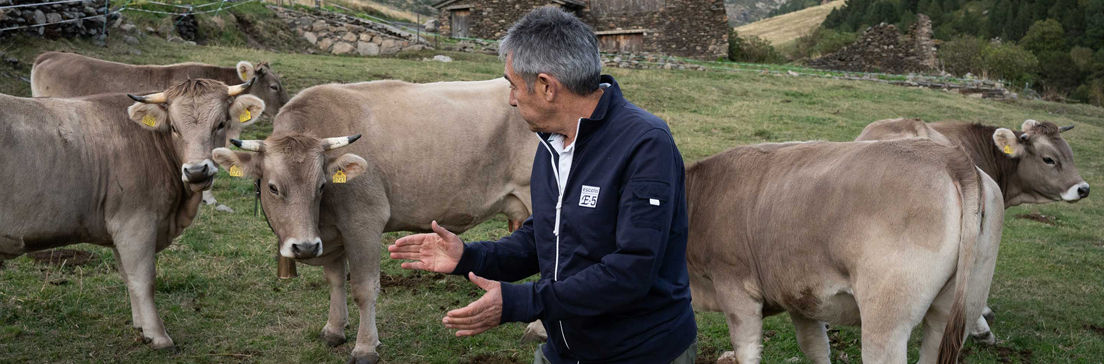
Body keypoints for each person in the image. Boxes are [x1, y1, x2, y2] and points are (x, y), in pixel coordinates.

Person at [388, 6, 695, 363]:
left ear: (547, 87)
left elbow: (631, 271)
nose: (510, 98)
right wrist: (469, 256)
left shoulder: (645, 144)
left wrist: (523, 301)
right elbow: (542, 237)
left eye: (513, 85)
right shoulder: (553, 144)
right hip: (563, 350)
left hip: (640, 352)